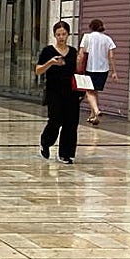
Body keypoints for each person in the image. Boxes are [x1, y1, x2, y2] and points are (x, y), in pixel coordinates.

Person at [36, 20, 82, 164]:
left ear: (68, 34)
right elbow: (38, 71)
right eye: (58, 34)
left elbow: (78, 71)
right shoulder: (48, 51)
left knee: (71, 123)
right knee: (55, 120)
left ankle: (66, 153)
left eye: (64, 34)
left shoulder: (73, 52)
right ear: (54, 35)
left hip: (71, 92)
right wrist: (51, 63)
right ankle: (46, 142)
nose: (61, 37)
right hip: (54, 91)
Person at [77, 18, 118, 126]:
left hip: (89, 68)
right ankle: (93, 116)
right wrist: (114, 71)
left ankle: (96, 110)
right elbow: (111, 56)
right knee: (94, 92)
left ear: (91, 27)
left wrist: (78, 68)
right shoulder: (107, 39)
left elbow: (81, 55)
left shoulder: (87, 37)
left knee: (88, 91)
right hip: (103, 70)